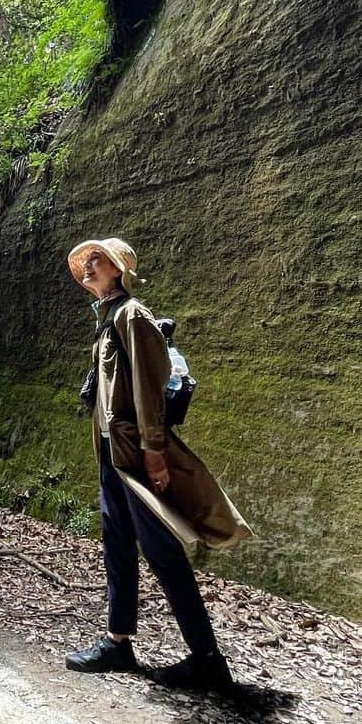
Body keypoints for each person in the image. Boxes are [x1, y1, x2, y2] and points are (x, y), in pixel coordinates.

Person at [64, 238, 251, 691]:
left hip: (136, 457)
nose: (89, 265)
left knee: (162, 552)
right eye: (87, 260)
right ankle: (119, 642)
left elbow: (150, 389)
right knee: (117, 546)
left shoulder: (132, 315)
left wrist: (154, 453)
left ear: (119, 270)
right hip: (114, 455)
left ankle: (207, 658)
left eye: (99, 259)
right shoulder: (107, 317)